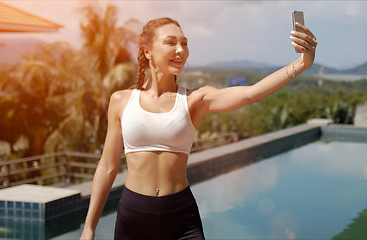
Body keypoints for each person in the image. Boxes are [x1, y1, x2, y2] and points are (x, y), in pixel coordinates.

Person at [80, 17, 317, 240]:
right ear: (147, 51)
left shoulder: (194, 100)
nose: (180, 50)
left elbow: (251, 94)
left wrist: (302, 63)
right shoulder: (121, 101)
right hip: (134, 217)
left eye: (184, 44)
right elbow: (108, 166)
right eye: (170, 43)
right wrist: (89, 228)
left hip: (180, 217)